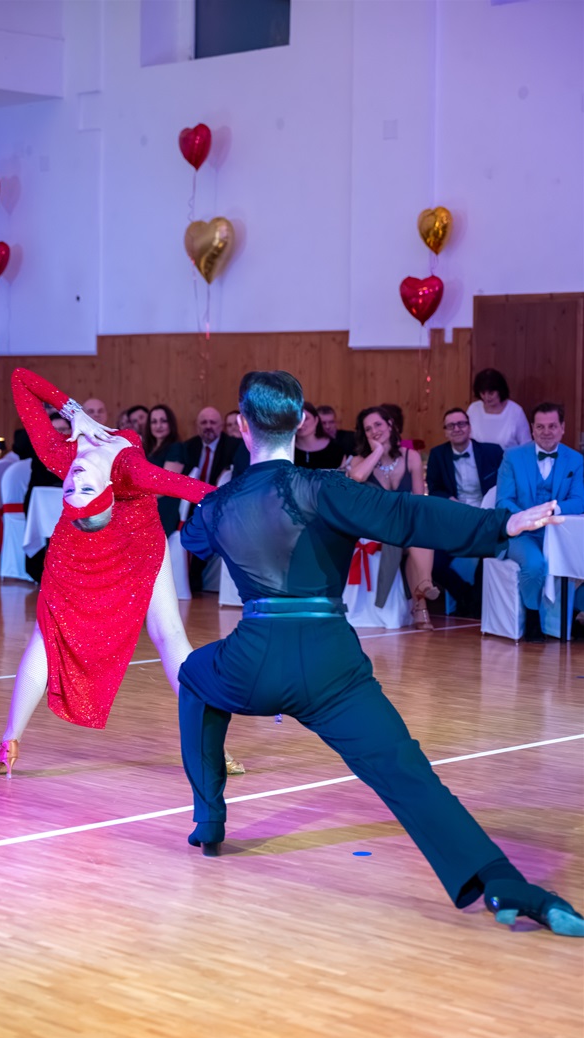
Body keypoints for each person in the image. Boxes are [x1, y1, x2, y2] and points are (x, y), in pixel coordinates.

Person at [177, 369, 583, 938]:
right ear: (299, 422)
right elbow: (406, 515)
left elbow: (192, 538)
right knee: (404, 771)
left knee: (194, 676)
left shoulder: (219, 505)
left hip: (252, 662)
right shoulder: (325, 487)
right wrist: (502, 525)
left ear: (242, 426)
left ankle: (209, 820)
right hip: (332, 667)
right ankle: (501, 880)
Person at [0, 368, 244, 779]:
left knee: (167, 634)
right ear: (105, 490)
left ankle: (209, 742)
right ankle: (10, 738)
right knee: (49, 634)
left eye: (73, 491)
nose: (74, 484)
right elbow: (199, 491)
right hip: (79, 546)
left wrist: (73, 413)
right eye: (80, 491)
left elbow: (19, 379)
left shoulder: (61, 455)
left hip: (125, 539)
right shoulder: (126, 469)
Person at [497, 402, 584, 643]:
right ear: (532, 429)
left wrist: (552, 510)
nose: (546, 432)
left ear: (562, 428)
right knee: (535, 563)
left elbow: (579, 501)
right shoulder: (512, 457)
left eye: (552, 426)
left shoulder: (575, 460)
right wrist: (529, 518)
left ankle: (573, 614)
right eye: (540, 427)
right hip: (521, 533)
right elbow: (503, 500)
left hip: (560, 533)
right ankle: (533, 617)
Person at [346, 406, 438, 630]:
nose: (374, 431)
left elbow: (419, 501)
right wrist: (377, 451)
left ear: (390, 424)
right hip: (375, 527)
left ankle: (424, 586)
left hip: (405, 523)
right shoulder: (359, 460)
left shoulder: (411, 456)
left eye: (378, 424)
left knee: (419, 533)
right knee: (408, 536)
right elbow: (357, 477)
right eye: (368, 429)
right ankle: (421, 602)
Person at [426, 408, 503, 615]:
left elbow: (504, 485)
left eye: (461, 424)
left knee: (488, 558)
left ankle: (475, 605)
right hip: (454, 520)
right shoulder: (438, 455)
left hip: (486, 519)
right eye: (451, 426)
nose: (457, 429)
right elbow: (434, 488)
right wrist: (450, 501)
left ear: (469, 427)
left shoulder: (492, 452)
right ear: (445, 431)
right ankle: (465, 595)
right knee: (433, 562)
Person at [181, 407, 240, 592]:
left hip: (219, 505)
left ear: (221, 426)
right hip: (190, 504)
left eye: (213, 423)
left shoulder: (233, 446)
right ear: (197, 427)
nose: (208, 427)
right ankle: (187, 582)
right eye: (204, 423)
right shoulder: (189, 447)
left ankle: (194, 581)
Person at [23, 412, 70, 583]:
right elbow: (41, 480)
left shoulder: (77, 450)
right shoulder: (39, 449)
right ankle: (44, 573)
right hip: (40, 502)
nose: (59, 434)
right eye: (55, 429)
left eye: (63, 429)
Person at [144, 405, 186, 539]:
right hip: (148, 504)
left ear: (171, 424)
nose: (158, 426)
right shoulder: (148, 449)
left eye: (163, 421)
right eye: (154, 422)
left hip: (164, 508)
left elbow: (165, 486)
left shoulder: (175, 448)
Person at [467, 369, 531, 451]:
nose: (486, 397)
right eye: (483, 393)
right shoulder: (473, 409)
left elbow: (526, 445)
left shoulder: (516, 411)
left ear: (500, 391)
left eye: (491, 393)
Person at [294, 402, 348, 469]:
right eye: (296, 419)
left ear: (316, 420)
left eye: (305, 418)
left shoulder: (336, 449)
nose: (300, 423)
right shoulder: (287, 449)